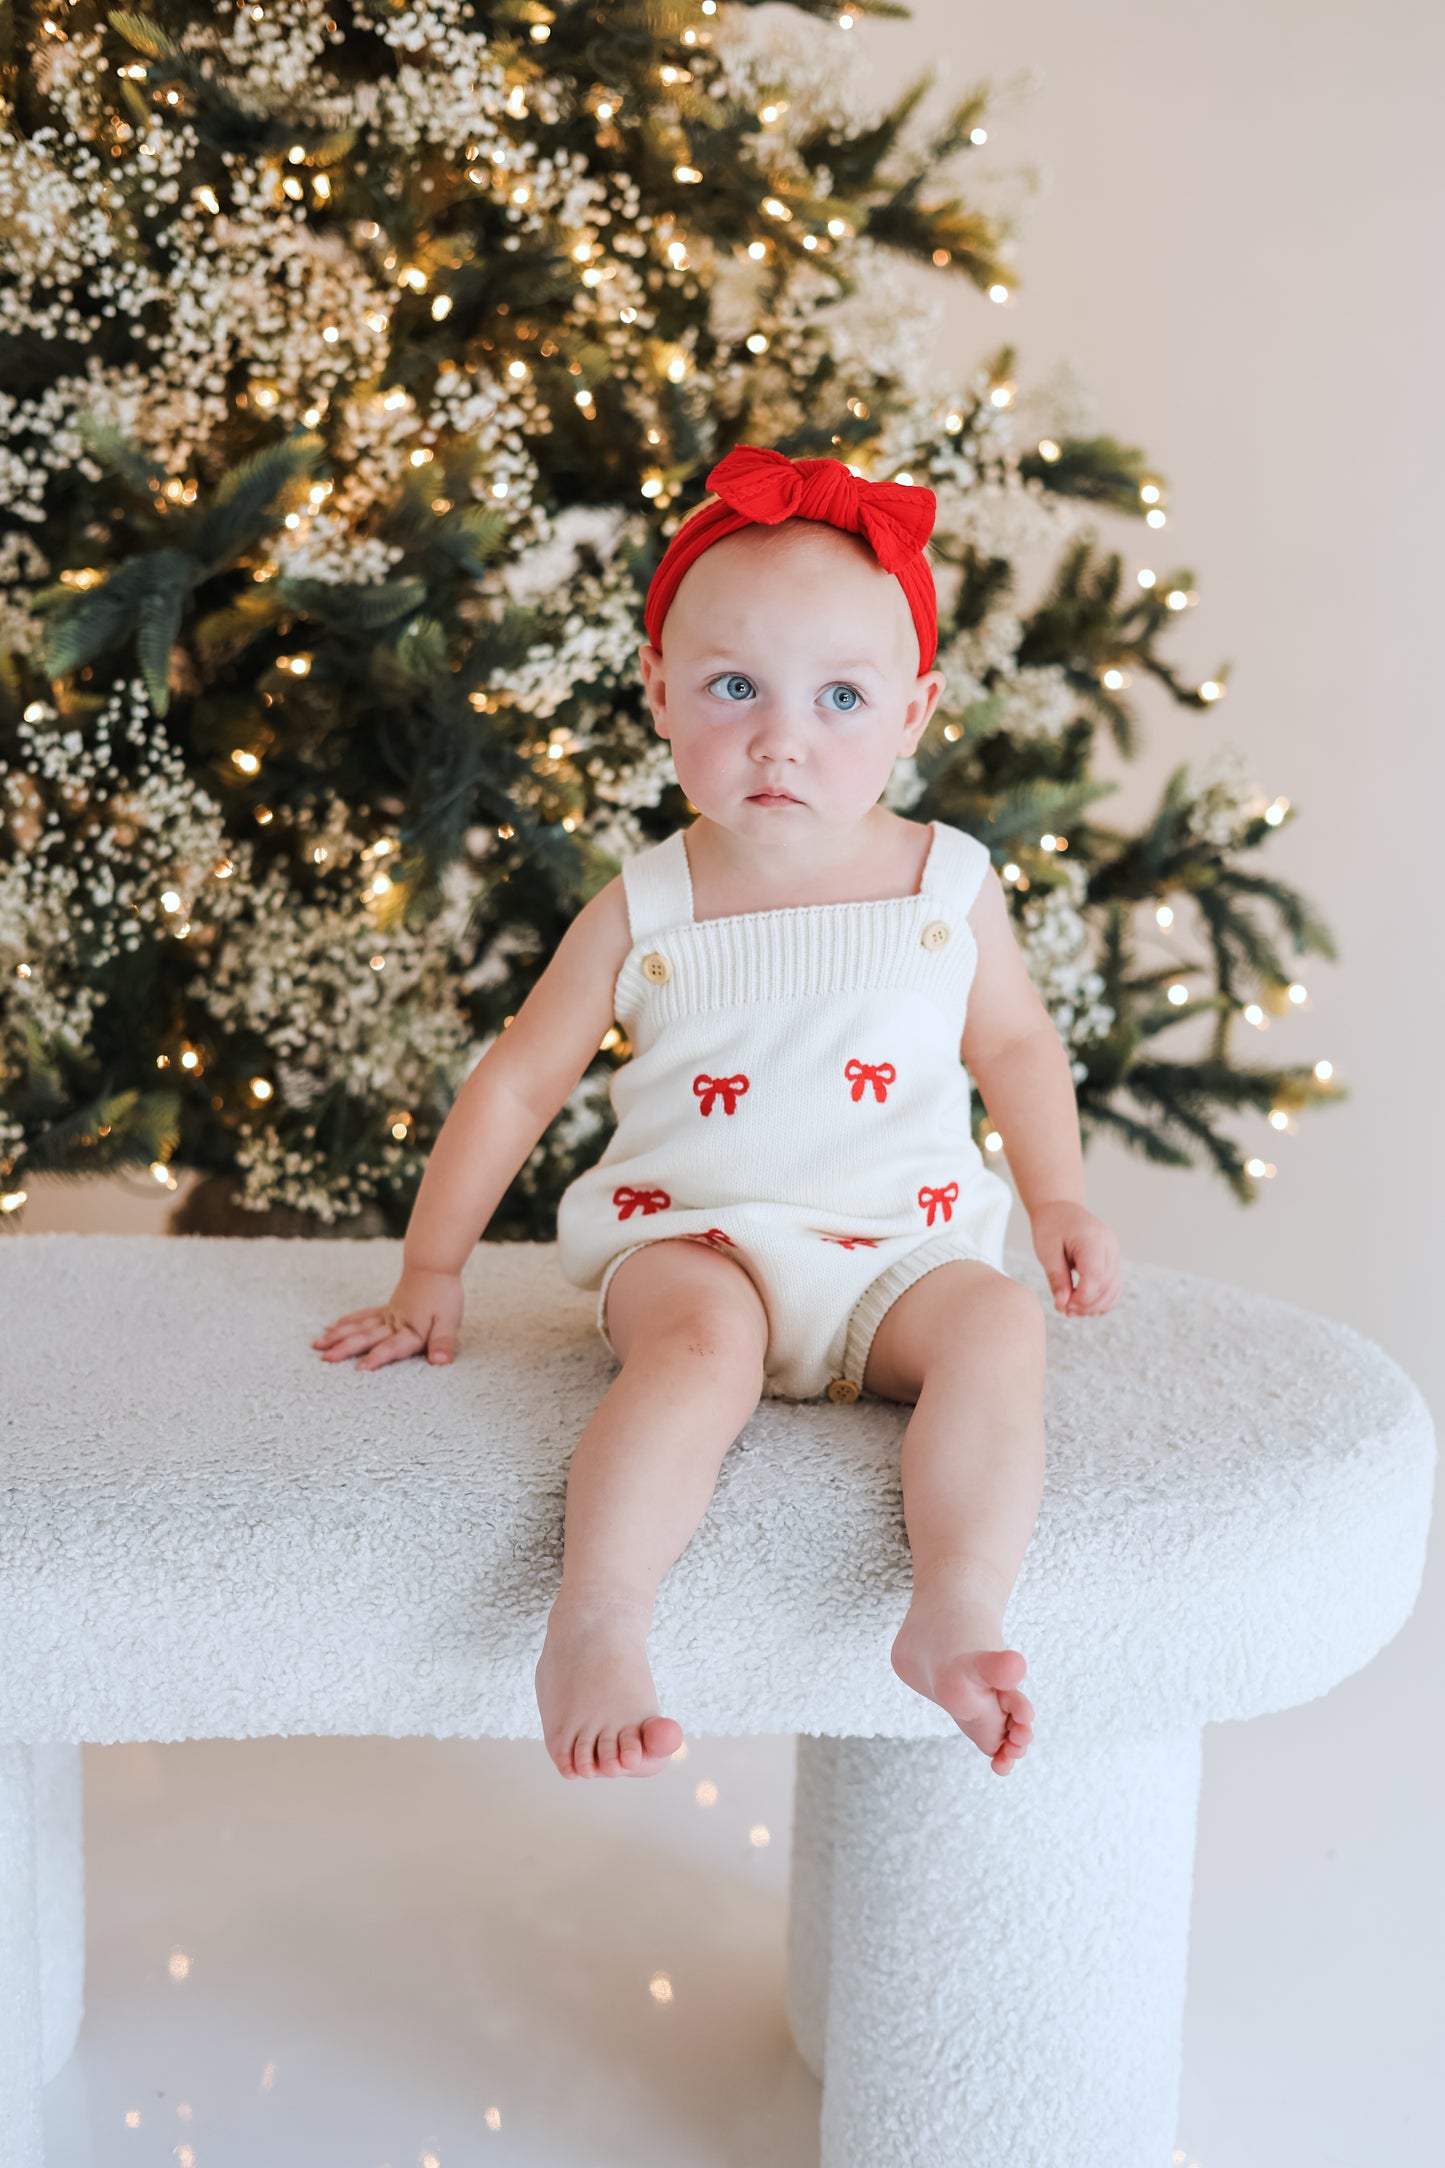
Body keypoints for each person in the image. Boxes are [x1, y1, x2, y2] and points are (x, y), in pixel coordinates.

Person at [312, 443, 1124, 1785]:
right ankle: (597, 1620)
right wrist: (430, 1268)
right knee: (693, 1355)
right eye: (732, 688)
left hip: (899, 1247)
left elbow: (1017, 1044)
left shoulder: (948, 884)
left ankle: (954, 1604)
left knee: (995, 1327)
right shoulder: (649, 904)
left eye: (840, 697)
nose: (779, 739)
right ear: (658, 691)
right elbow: (518, 1077)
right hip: (701, 1241)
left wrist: (1054, 1200)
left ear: (915, 712)